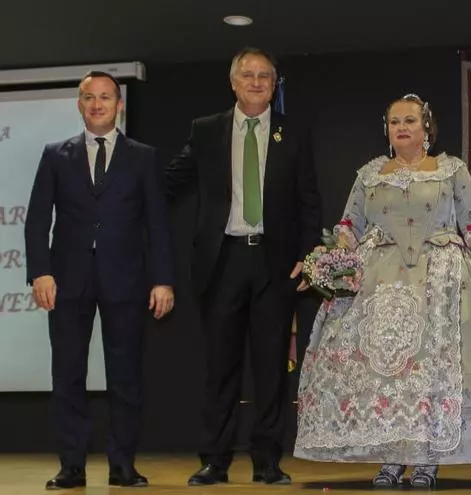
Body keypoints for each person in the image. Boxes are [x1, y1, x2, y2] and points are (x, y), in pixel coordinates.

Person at [293, 94, 471, 488]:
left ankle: (428, 456)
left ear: (427, 127)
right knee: (385, 372)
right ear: (387, 129)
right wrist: (328, 264)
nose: (402, 127)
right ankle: (392, 455)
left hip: (441, 281)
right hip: (381, 280)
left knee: (431, 371)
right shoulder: (370, 175)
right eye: (395, 122)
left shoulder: (450, 170)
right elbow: (348, 228)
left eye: (410, 120)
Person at [165, 47, 322, 486]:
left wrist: (309, 257)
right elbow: (171, 181)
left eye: (264, 76)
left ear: (274, 84)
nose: (256, 83)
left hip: (276, 264)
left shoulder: (294, 132)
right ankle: (214, 460)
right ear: (233, 82)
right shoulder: (206, 130)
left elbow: (309, 200)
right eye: (248, 75)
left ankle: (267, 460)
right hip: (223, 261)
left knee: (271, 369)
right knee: (221, 368)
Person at [24, 71, 174, 489]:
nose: (97, 104)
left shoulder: (142, 157)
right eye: (89, 97)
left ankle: (122, 465)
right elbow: (37, 219)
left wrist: (163, 280)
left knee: (125, 377)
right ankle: (71, 465)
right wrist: (40, 271)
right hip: (67, 280)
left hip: (126, 280)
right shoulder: (56, 155)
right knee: (67, 375)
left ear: (119, 105)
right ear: (79, 104)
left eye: (105, 97)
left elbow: (158, 224)